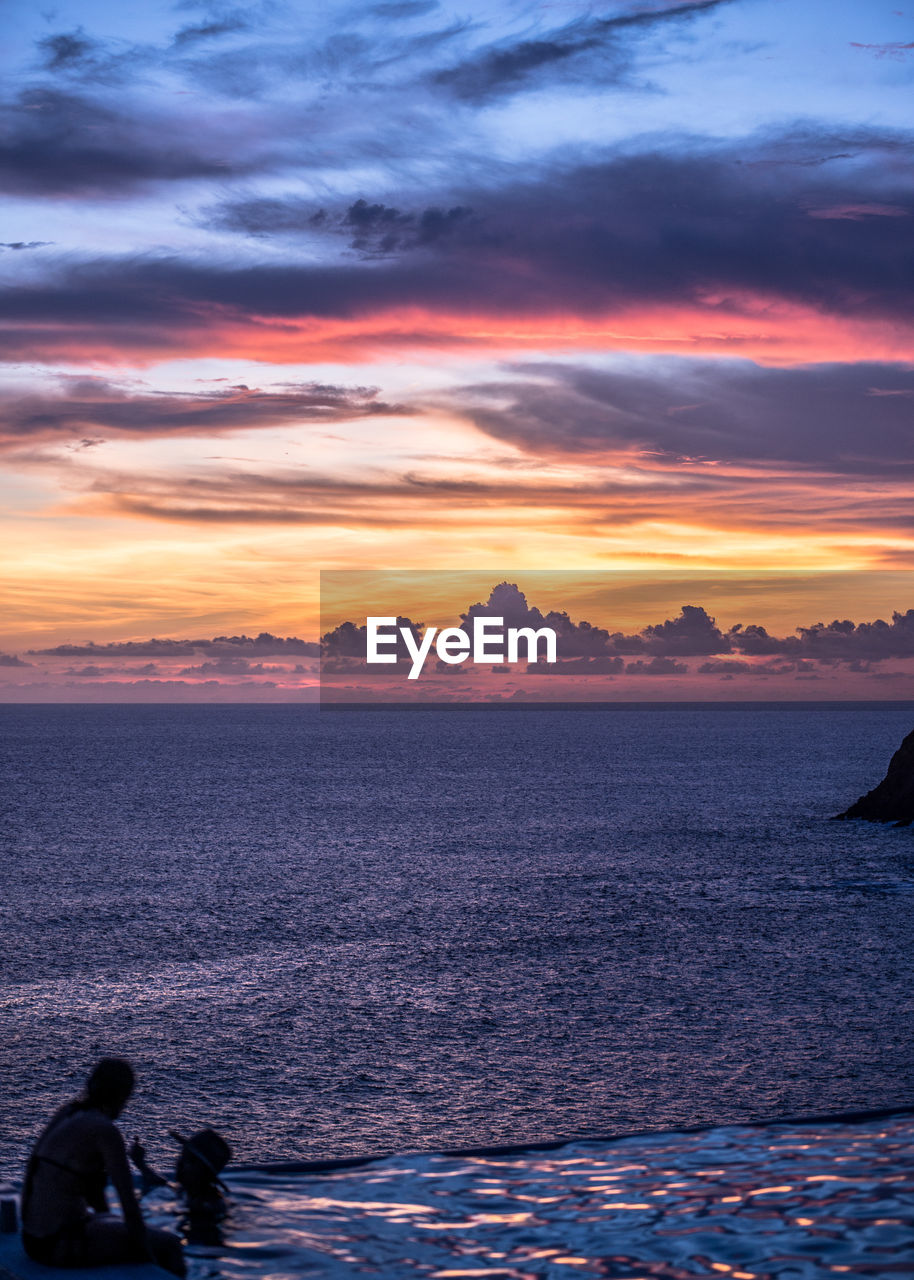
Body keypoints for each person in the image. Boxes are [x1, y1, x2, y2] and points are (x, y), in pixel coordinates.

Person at [21, 1058, 185, 1276]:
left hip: (31, 1238)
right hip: (57, 1244)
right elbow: (129, 1207)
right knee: (171, 1244)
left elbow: (93, 1194)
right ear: (121, 1095)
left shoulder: (68, 1113)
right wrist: (149, 1258)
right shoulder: (105, 1131)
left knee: (111, 1221)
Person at [130, 1129, 232, 1247]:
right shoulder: (191, 1191)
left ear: (202, 1169)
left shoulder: (205, 1205)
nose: (179, 1164)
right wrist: (141, 1164)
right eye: (181, 1156)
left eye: (187, 1160)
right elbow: (165, 1185)